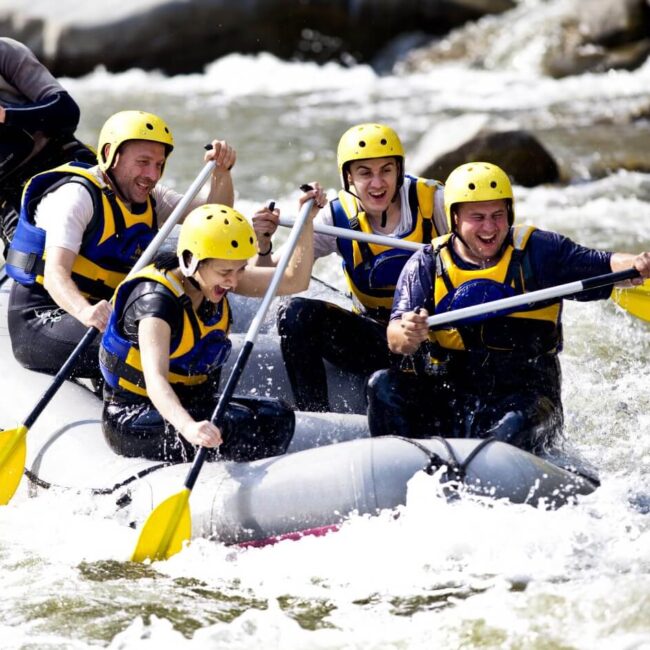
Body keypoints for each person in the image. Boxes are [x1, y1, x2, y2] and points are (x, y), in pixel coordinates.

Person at [366, 162, 650, 452]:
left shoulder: (539, 251)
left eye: (497, 215)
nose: (489, 227)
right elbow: (395, 337)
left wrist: (637, 264)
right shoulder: (426, 264)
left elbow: (606, 266)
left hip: (527, 398)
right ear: (454, 218)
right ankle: (402, 463)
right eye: (477, 217)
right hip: (451, 395)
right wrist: (409, 333)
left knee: (511, 427)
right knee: (383, 384)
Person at [5, 109, 237, 381]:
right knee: (151, 344)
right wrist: (85, 311)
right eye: (143, 162)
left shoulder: (151, 197)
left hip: (102, 314)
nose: (152, 174)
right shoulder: (76, 197)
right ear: (109, 155)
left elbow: (215, 217)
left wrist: (222, 172)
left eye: (159, 165)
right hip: (44, 319)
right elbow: (56, 274)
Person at [100, 189, 326, 463]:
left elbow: (294, 280)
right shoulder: (155, 304)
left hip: (192, 404)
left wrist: (307, 221)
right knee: (233, 425)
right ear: (190, 261)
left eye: (240, 269)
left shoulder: (215, 278)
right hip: (135, 415)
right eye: (225, 273)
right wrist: (189, 428)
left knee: (276, 416)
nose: (233, 281)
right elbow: (156, 381)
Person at [254, 122, 447, 412]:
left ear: (399, 170)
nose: (378, 183)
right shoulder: (337, 217)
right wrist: (264, 243)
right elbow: (273, 278)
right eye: (365, 173)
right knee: (296, 314)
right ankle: (315, 415)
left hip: (435, 339)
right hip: (377, 339)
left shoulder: (436, 202)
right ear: (349, 177)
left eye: (386, 170)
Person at [0, 37, 95, 251]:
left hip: (59, 156)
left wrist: (7, 115)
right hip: (9, 193)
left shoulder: (6, 52)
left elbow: (67, 112)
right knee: (27, 270)